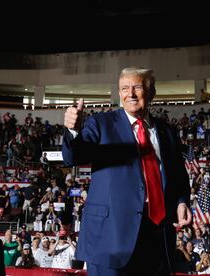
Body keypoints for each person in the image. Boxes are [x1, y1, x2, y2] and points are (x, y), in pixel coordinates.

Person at [63, 67, 191, 275]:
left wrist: (182, 200)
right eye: (124, 88)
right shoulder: (100, 123)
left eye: (137, 87)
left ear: (151, 92)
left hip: (157, 238)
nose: (130, 93)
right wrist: (72, 130)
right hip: (110, 238)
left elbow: (177, 174)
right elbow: (73, 157)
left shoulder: (167, 131)